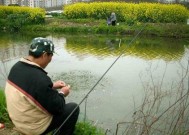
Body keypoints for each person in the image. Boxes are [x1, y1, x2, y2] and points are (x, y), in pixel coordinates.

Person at [5, 37, 80, 135]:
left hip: (17, 121)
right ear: (44, 55)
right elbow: (57, 108)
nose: (51, 59)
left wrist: (52, 86)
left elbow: (31, 87)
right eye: (51, 55)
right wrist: (62, 93)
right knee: (73, 108)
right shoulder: (40, 78)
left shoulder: (17, 67)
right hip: (32, 128)